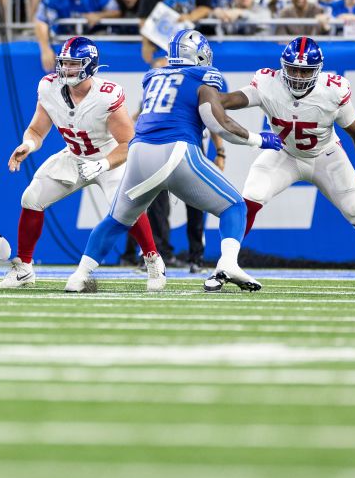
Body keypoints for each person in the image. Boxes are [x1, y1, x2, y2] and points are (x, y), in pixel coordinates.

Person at [70, 30, 280, 293]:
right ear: (199, 54)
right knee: (235, 207)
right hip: (176, 150)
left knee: (117, 219)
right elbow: (217, 122)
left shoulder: (154, 76)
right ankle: (227, 263)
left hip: (139, 151)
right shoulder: (202, 75)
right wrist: (258, 139)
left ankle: (79, 275)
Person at [219, 38, 355, 293]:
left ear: (318, 70)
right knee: (250, 197)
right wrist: (206, 98)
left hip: (326, 155)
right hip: (285, 153)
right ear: (283, 67)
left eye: (305, 70)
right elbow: (227, 100)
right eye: (293, 69)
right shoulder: (267, 84)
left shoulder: (333, 90)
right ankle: (225, 266)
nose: (299, 76)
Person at [2, 38, 162, 288]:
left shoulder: (106, 95)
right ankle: (24, 268)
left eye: (73, 64)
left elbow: (128, 143)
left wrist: (104, 165)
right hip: (75, 156)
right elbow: (36, 129)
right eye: (63, 63)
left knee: (125, 208)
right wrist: (28, 145)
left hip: (110, 158)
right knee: (31, 198)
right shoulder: (49, 87)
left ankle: (153, 259)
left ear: (89, 66)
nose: (65, 69)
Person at [35, 0, 119, 69]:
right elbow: (41, 21)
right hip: (64, 40)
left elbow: (116, 12)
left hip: (94, 39)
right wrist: (45, 49)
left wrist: (99, 15)